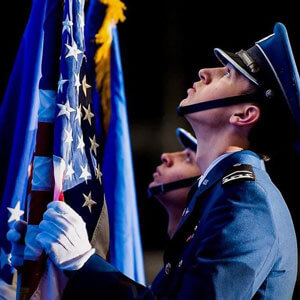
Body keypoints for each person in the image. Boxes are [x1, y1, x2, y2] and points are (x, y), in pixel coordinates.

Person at [8, 22, 299, 299]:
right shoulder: (221, 193)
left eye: (227, 75)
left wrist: (83, 261)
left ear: (244, 115)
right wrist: (55, 271)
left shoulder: (248, 202)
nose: (204, 73)